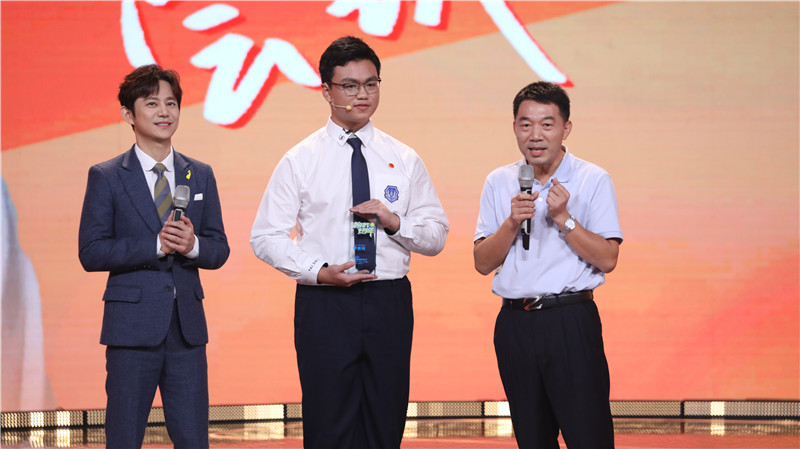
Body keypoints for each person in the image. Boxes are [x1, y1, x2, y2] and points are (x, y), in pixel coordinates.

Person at [250, 36, 449, 449]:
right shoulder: (301, 159)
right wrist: (319, 272)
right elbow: (266, 236)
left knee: (385, 419)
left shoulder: (404, 158)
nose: (363, 95)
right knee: (328, 423)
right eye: (350, 86)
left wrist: (394, 223)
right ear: (327, 90)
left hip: (389, 300)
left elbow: (435, 236)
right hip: (325, 303)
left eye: (371, 84)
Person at [78, 64, 229, 448]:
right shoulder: (107, 176)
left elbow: (219, 247)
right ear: (128, 114)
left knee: (193, 439)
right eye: (151, 103)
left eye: (171, 103)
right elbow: (91, 251)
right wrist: (155, 246)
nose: (164, 112)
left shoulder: (199, 174)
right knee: (124, 437)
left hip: (186, 332)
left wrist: (192, 246)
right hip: (131, 330)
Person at [473, 81, 622, 449]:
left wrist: (563, 218)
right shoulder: (499, 181)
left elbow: (608, 257)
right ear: (514, 127)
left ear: (565, 128)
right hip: (514, 324)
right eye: (525, 124)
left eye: (546, 124)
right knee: (532, 438)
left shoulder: (593, 178)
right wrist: (511, 223)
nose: (535, 135)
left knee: (588, 435)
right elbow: (482, 262)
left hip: (569, 320)